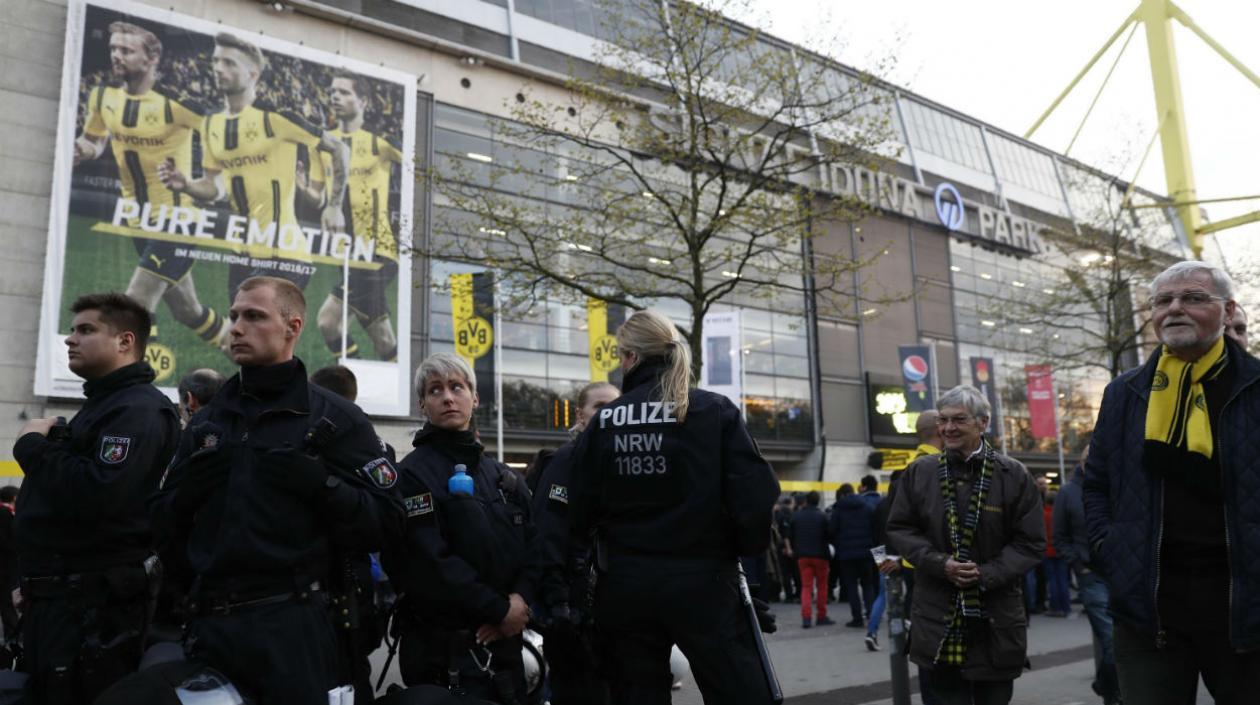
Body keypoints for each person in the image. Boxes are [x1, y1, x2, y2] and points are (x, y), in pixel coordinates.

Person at [150, 276, 403, 705]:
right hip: (211, 629)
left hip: (296, 629)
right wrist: (185, 494)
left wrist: (323, 486)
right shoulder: (209, 423)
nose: (235, 327)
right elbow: (160, 525)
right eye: (233, 316)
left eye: (254, 316)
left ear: (293, 327)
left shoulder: (337, 420)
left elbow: (390, 523)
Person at [567, 309, 781, 705]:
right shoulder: (713, 411)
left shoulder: (605, 421)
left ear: (630, 357)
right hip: (704, 580)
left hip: (627, 585)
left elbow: (577, 507)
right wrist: (736, 549)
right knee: (737, 688)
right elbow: (756, 494)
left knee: (637, 693)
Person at [1084, 260, 1260, 704]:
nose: (1175, 309)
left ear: (1228, 310)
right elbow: (1097, 484)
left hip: (1247, 608)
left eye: (1194, 298)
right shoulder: (1124, 393)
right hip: (1150, 611)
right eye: (1163, 301)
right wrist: (1110, 548)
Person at [12, 293, 180, 704]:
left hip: (92, 611)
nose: (71, 339)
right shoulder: (104, 404)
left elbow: (99, 492)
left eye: (86, 330)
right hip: (58, 599)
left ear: (125, 342)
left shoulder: (137, 410)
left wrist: (31, 445)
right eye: (72, 329)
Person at [383, 352, 537, 703]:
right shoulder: (411, 475)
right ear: (423, 404)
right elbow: (428, 561)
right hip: (444, 653)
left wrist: (520, 603)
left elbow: (536, 545)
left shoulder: (503, 476)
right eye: (435, 390)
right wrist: (499, 610)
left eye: (457, 386)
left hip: (508, 646)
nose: (448, 397)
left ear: (475, 397)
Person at [75, 21, 229, 350]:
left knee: (133, 307)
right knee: (188, 310)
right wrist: (80, 150)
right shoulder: (102, 97)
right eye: (114, 48)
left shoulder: (176, 104)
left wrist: (209, 180)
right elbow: (93, 141)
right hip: (138, 220)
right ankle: (258, 364)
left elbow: (226, 135)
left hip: (177, 221)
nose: (117, 55)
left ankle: (131, 389)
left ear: (151, 59)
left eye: (126, 50)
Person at [887, 385, 1044, 705]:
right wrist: (940, 564)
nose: (947, 428)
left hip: (995, 620)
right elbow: (900, 529)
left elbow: (1030, 542)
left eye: (958, 419)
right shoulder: (919, 472)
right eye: (943, 420)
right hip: (937, 621)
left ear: (983, 423)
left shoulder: (1013, 474)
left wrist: (985, 574)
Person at [158, 33, 350, 295]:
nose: (218, 68)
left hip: (283, 255)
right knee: (242, 335)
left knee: (256, 331)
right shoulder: (212, 125)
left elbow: (339, 148)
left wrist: (335, 206)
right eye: (216, 61)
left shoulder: (277, 119)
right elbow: (213, 188)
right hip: (241, 256)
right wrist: (186, 185)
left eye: (229, 63)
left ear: (253, 75)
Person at [532, 380, 620, 705]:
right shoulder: (568, 462)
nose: (607, 413)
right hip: (575, 617)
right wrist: (559, 604)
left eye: (614, 406)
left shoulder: (619, 463)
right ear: (581, 416)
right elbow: (548, 534)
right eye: (599, 406)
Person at [310, 71, 404, 362]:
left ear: (363, 101)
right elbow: (316, 196)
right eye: (333, 91)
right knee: (340, 326)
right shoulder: (322, 144)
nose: (335, 96)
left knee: (332, 321)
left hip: (377, 252)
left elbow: (420, 168)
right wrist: (303, 189)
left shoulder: (380, 144)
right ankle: (360, 374)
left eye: (345, 92)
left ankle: (354, 380)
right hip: (346, 254)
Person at [1054, 447, 1118, 705]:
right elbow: (1060, 537)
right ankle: (1112, 692)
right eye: (1088, 461)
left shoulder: (1114, 486)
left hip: (1119, 571)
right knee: (1111, 637)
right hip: (1091, 575)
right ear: (1080, 463)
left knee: (1123, 637)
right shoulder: (1068, 492)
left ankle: (1105, 685)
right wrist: (1080, 564)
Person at [830, 483, 877, 628]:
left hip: (846, 555)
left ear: (843, 494)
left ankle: (857, 618)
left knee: (851, 587)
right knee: (868, 585)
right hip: (866, 553)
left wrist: (839, 544)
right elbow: (874, 528)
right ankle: (871, 615)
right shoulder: (867, 506)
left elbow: (832, 530)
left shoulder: (838, 509)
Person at [786, 491, 833, 628]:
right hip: (820, 556)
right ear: (818, 501)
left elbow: (790, 535)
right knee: (822, 586)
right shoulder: (823, 516)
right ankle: (821, 616)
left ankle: (806, 618)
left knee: (806, 587)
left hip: (802, 556)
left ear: (806, 501)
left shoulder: (796, 516)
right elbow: (829, 534)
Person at [1042, 492, 1070, 618]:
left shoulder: (1043, 515)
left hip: (1048, 550)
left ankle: (1056, 607)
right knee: (1063, 579)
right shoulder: (1060, 515)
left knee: (1052, 580)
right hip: (1061, 550)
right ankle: (1066, 606)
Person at [773, 497, 799, 602]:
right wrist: (788, 548)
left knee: (785, 573)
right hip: (791, 548)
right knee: (795, 572)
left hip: (779, 548)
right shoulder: (789, 515)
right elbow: (787, 534)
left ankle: (788, 595)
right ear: (790, 504)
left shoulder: (776, 515)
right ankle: (797, 594)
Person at [0, 486, 15, 643]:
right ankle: (11, 632)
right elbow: (8, 541)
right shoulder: (5, 514)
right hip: (5, 567)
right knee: (7, 601)